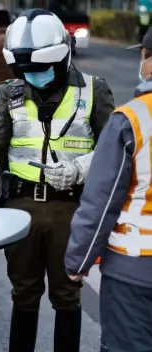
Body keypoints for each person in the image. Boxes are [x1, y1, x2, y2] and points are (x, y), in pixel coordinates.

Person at [0, 9, 115, 352]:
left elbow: (113, 150)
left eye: (41, 69)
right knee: (23, 294)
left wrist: (79, 168)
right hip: (20, 208)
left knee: (67, 295)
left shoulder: (94, 91)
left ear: (63, 56)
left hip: (70, 208)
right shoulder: (10, 91)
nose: (34, 76)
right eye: (26, 70)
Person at [64, 28, 152, 352]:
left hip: (136, 271)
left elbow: (102, 201)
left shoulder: (133, 118)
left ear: (148, 59)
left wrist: (78, 261)